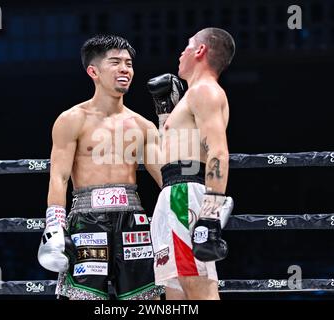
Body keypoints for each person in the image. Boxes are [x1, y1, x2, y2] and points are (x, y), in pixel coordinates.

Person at [37, 34, 163, 300]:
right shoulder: (71, 120)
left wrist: (168, 119)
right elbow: (59, 177)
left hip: (133, 220)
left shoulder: (143, 125)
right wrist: (54, 227)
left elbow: (165, 177)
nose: (125, 69)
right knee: (83, 297)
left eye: (128, 63)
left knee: (143, 299)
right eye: (115, 62)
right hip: (87, 219)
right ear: (93, 71)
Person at [147, 28, 235, 300]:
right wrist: (165, 116)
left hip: (185, 197)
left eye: (187, 46)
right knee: (177, 294)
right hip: (173, 194)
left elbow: (218, 151)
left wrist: (210, 214)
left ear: (200, 51)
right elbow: (170, 160)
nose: (181, 52)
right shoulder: (190, 97)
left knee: (199, 291)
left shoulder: (205, 91)